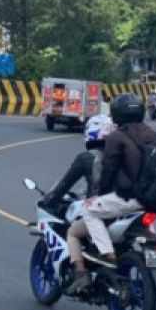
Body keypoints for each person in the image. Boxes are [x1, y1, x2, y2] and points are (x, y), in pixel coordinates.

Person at [79, 93, 156, 270]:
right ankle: (155, 249)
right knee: (143, 219)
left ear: (117, 114)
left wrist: (97, 195)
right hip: (153, 198)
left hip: (130, 197)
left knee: (89, 211)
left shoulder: (117, 136)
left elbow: (108, 169)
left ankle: (108, 255)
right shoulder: (153, 135)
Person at [42, 114, 113, 293]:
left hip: (103, 208)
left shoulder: (86, 158)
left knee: (72, 232)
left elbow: (65, 183)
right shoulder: (122, 154)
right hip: (128, 206)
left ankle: (81, 274)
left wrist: (49, 199)